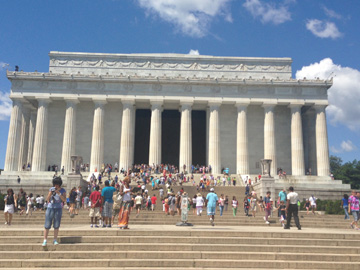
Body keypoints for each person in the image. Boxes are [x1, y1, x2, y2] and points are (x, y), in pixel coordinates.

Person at [42, 177, 66, 246]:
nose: (56, 186)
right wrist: (50, 194)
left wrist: (59, 193)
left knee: (56, 225)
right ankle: (45, 240)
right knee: (47, 224)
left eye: (57, 184)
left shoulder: (63, 190)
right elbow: (47, 199)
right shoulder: (51, 189)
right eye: (55, 184)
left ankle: (55, 239)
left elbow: (64, 200)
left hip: (58, 208)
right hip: (50, 208)